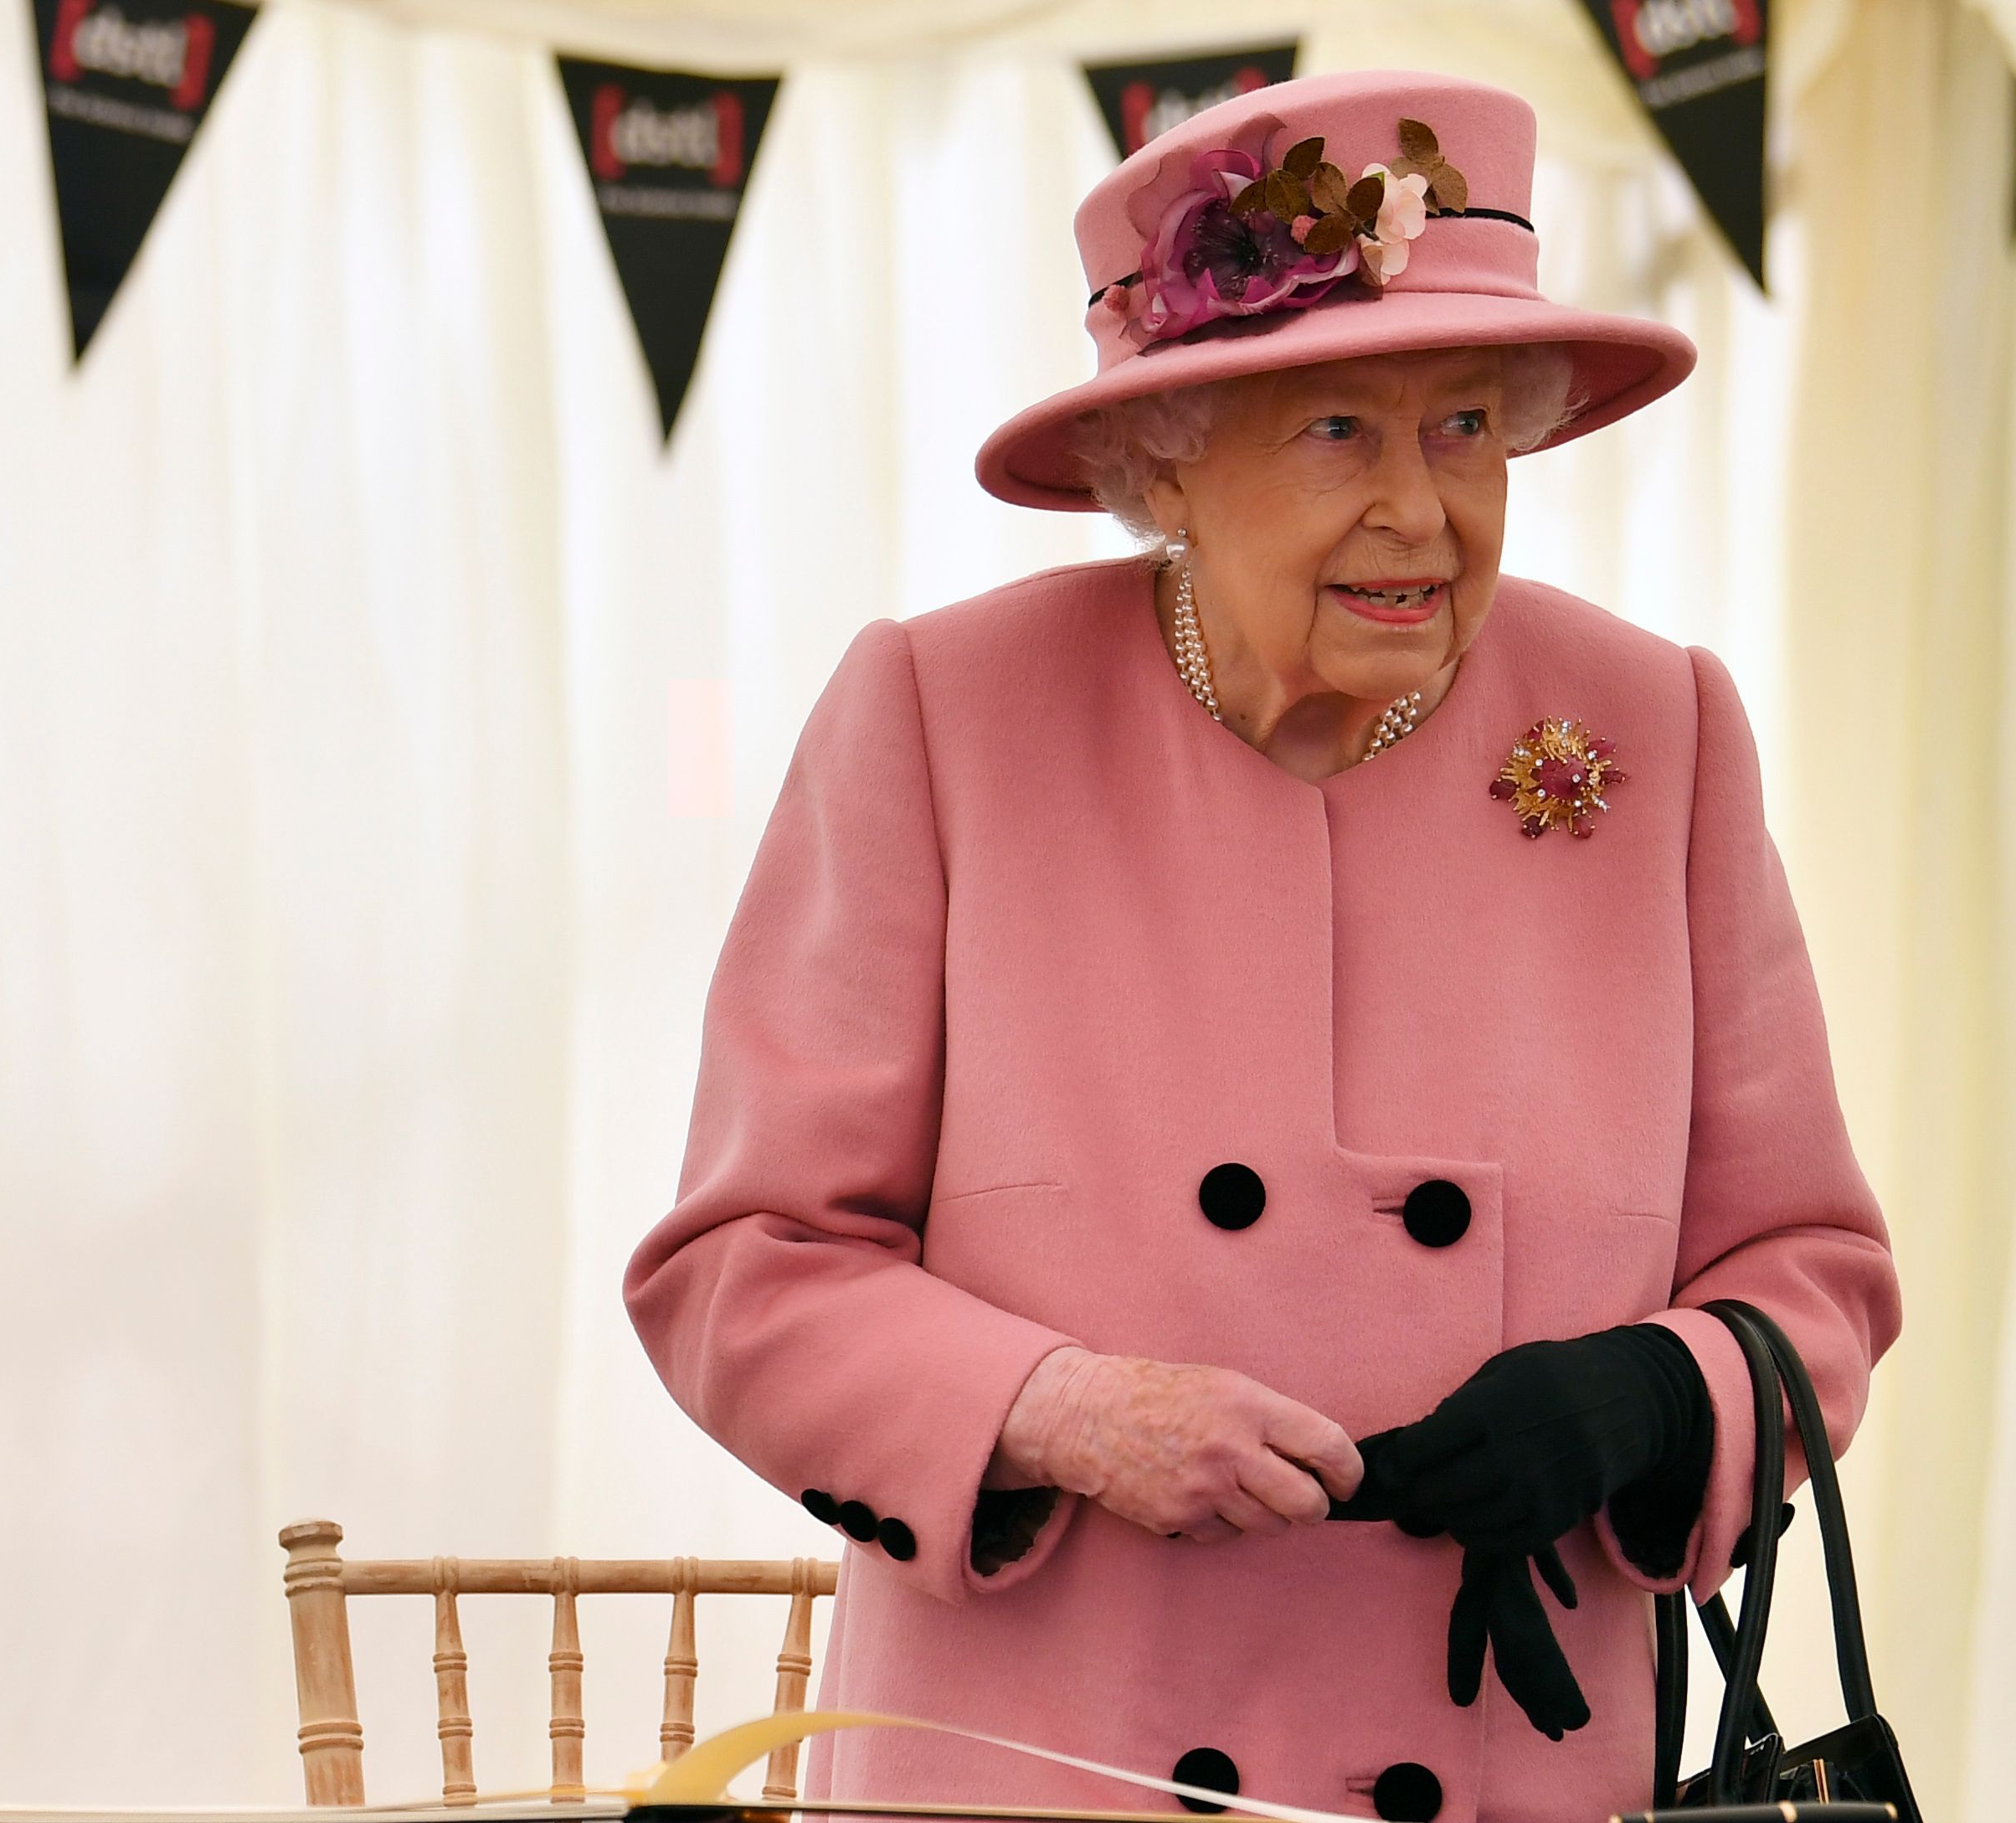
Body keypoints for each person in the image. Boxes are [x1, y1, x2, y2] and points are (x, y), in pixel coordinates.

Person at [625, 68, 1898, 1823]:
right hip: (1047, 1760)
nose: (1421, 510)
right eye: (1339, 435)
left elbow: (1810, 1269)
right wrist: (1053, 1411)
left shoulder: (1651, 728)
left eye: (1465, 428)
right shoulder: (947, 714)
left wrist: (1654, 1398)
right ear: (1168, 461)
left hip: (1503, 1772)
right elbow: (742, 1269)